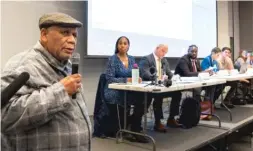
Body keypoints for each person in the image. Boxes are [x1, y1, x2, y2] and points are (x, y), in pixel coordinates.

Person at [1, 13, 91, 150]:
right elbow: (5, 115)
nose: (72, 40)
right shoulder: (22, 65)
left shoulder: (66, 64)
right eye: (65, 33)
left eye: (74, 35)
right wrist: (61, 91)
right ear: (44, 35)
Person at [103, 36, 149, 143]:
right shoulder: (112, 59)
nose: (122, 45)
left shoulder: (132, 58)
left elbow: (134, 74)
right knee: (137, 99)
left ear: (128, 46)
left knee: (144, 98)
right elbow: (109, 79)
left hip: (128, 90)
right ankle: (133, 127)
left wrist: (137, 78)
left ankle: (134, 125)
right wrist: (126, 80)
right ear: (117, 45)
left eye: (125, 43)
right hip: (113, 90)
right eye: (120, 43)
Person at [139, 44, 182, 133]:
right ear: (157, 48)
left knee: (177, 93)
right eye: (163, 51)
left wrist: (175, 78)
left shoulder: (164, 60)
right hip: (150, 88)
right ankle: (158, 123)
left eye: (165, 52)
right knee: (159, 96)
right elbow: (144, 74)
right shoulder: (146, 59)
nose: (164, 54)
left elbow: (169, 73)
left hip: (161, 87)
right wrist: (157, 78)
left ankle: (171, 118)